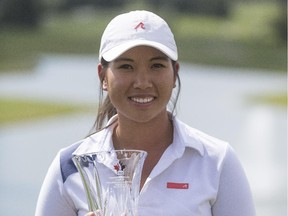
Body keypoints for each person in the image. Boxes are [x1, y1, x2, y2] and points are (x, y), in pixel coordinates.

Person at [35, 10, 256, 216]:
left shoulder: (216, 161)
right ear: (103, 76)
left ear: (174, 74)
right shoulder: (69, 166)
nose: (142, 82)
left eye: (157, 66)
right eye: (126, 67)